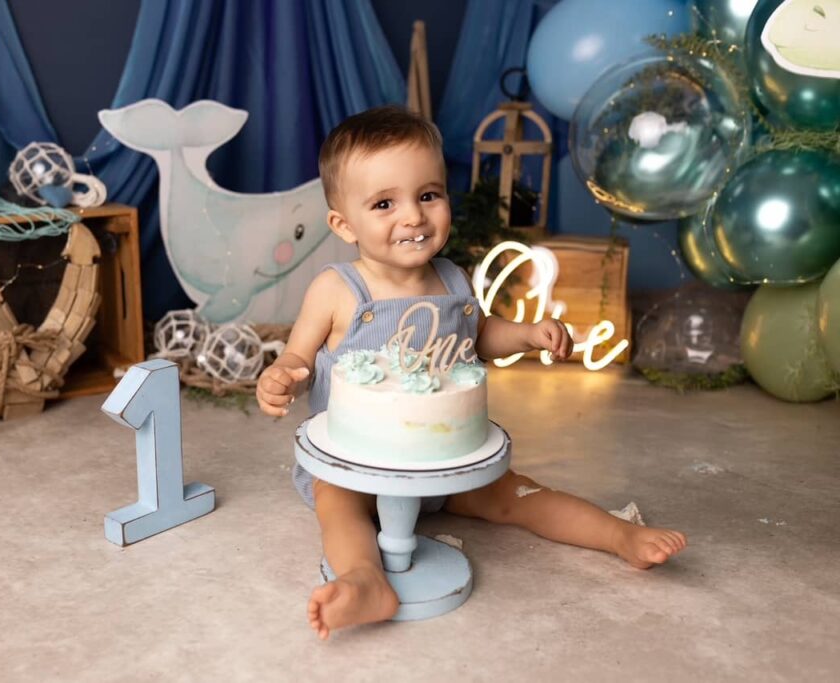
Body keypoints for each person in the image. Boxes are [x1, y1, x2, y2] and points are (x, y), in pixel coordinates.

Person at [256, 106, 686, 641]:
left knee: (517, 495)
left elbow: (480, 335)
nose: (413, 217)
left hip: (445, 460)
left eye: (428, 195)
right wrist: (283, 376)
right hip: (359, 467)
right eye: (385, 203)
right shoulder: (338, 289)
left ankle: (617, 535)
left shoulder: (453, 278)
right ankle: (366, 580)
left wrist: (526, 334)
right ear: (343, 224)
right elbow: (297, 357)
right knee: (338, 508)